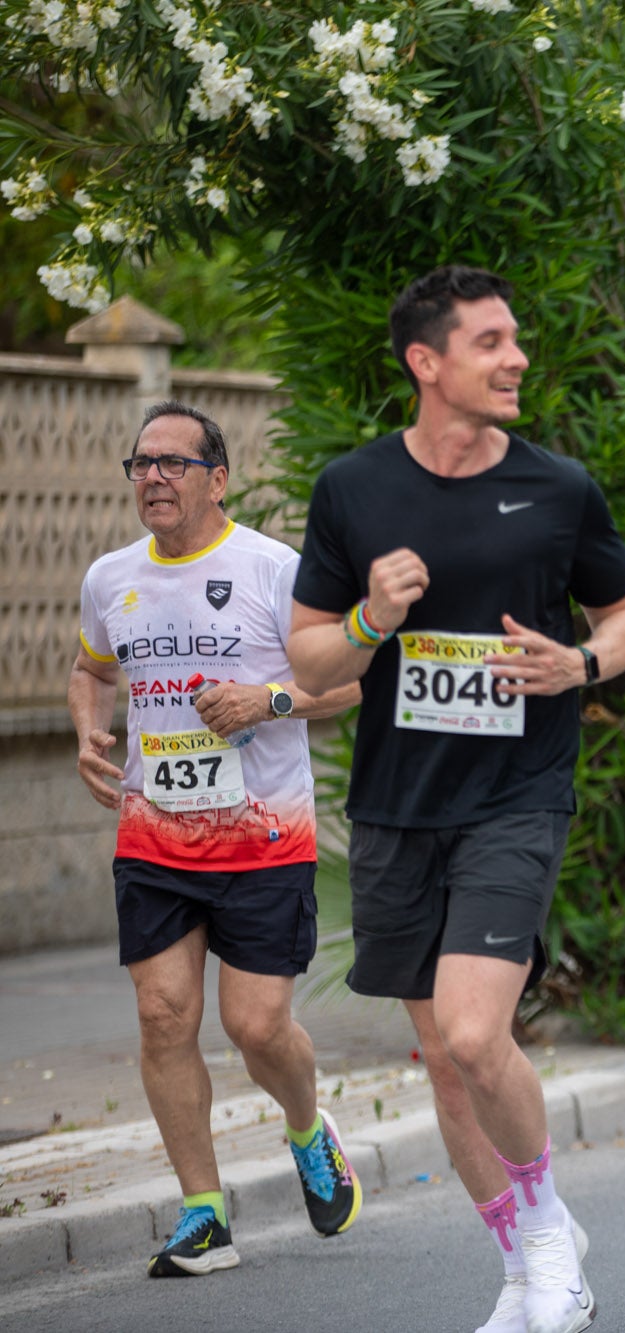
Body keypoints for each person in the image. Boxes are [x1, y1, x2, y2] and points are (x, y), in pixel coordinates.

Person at [287, 267, 625, 1333]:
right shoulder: (354, 488)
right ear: (426, 361)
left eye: (514, 339)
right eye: (490, 341)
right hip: (398, 805)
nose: (516, 358)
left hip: (517, 796)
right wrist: (370, 618)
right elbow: (308, 660)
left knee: (474, 1031)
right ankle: (524, 1265)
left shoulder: (557, 487)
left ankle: (547, 1241)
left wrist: (581, 663)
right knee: (448, 1064)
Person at [69, 401, 363, 1277]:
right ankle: (204, 1212)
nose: (153, 477)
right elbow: (89, 667)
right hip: (154, 835)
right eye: (141, 464)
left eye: (174, 463)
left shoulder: (275, 569)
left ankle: (307, 1129)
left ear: (218, 479)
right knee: (163, 1016)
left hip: (266, 834)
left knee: (256, 1024)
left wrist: (266, 700)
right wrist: (86, 731)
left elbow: (352, 679)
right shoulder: (110, 577)